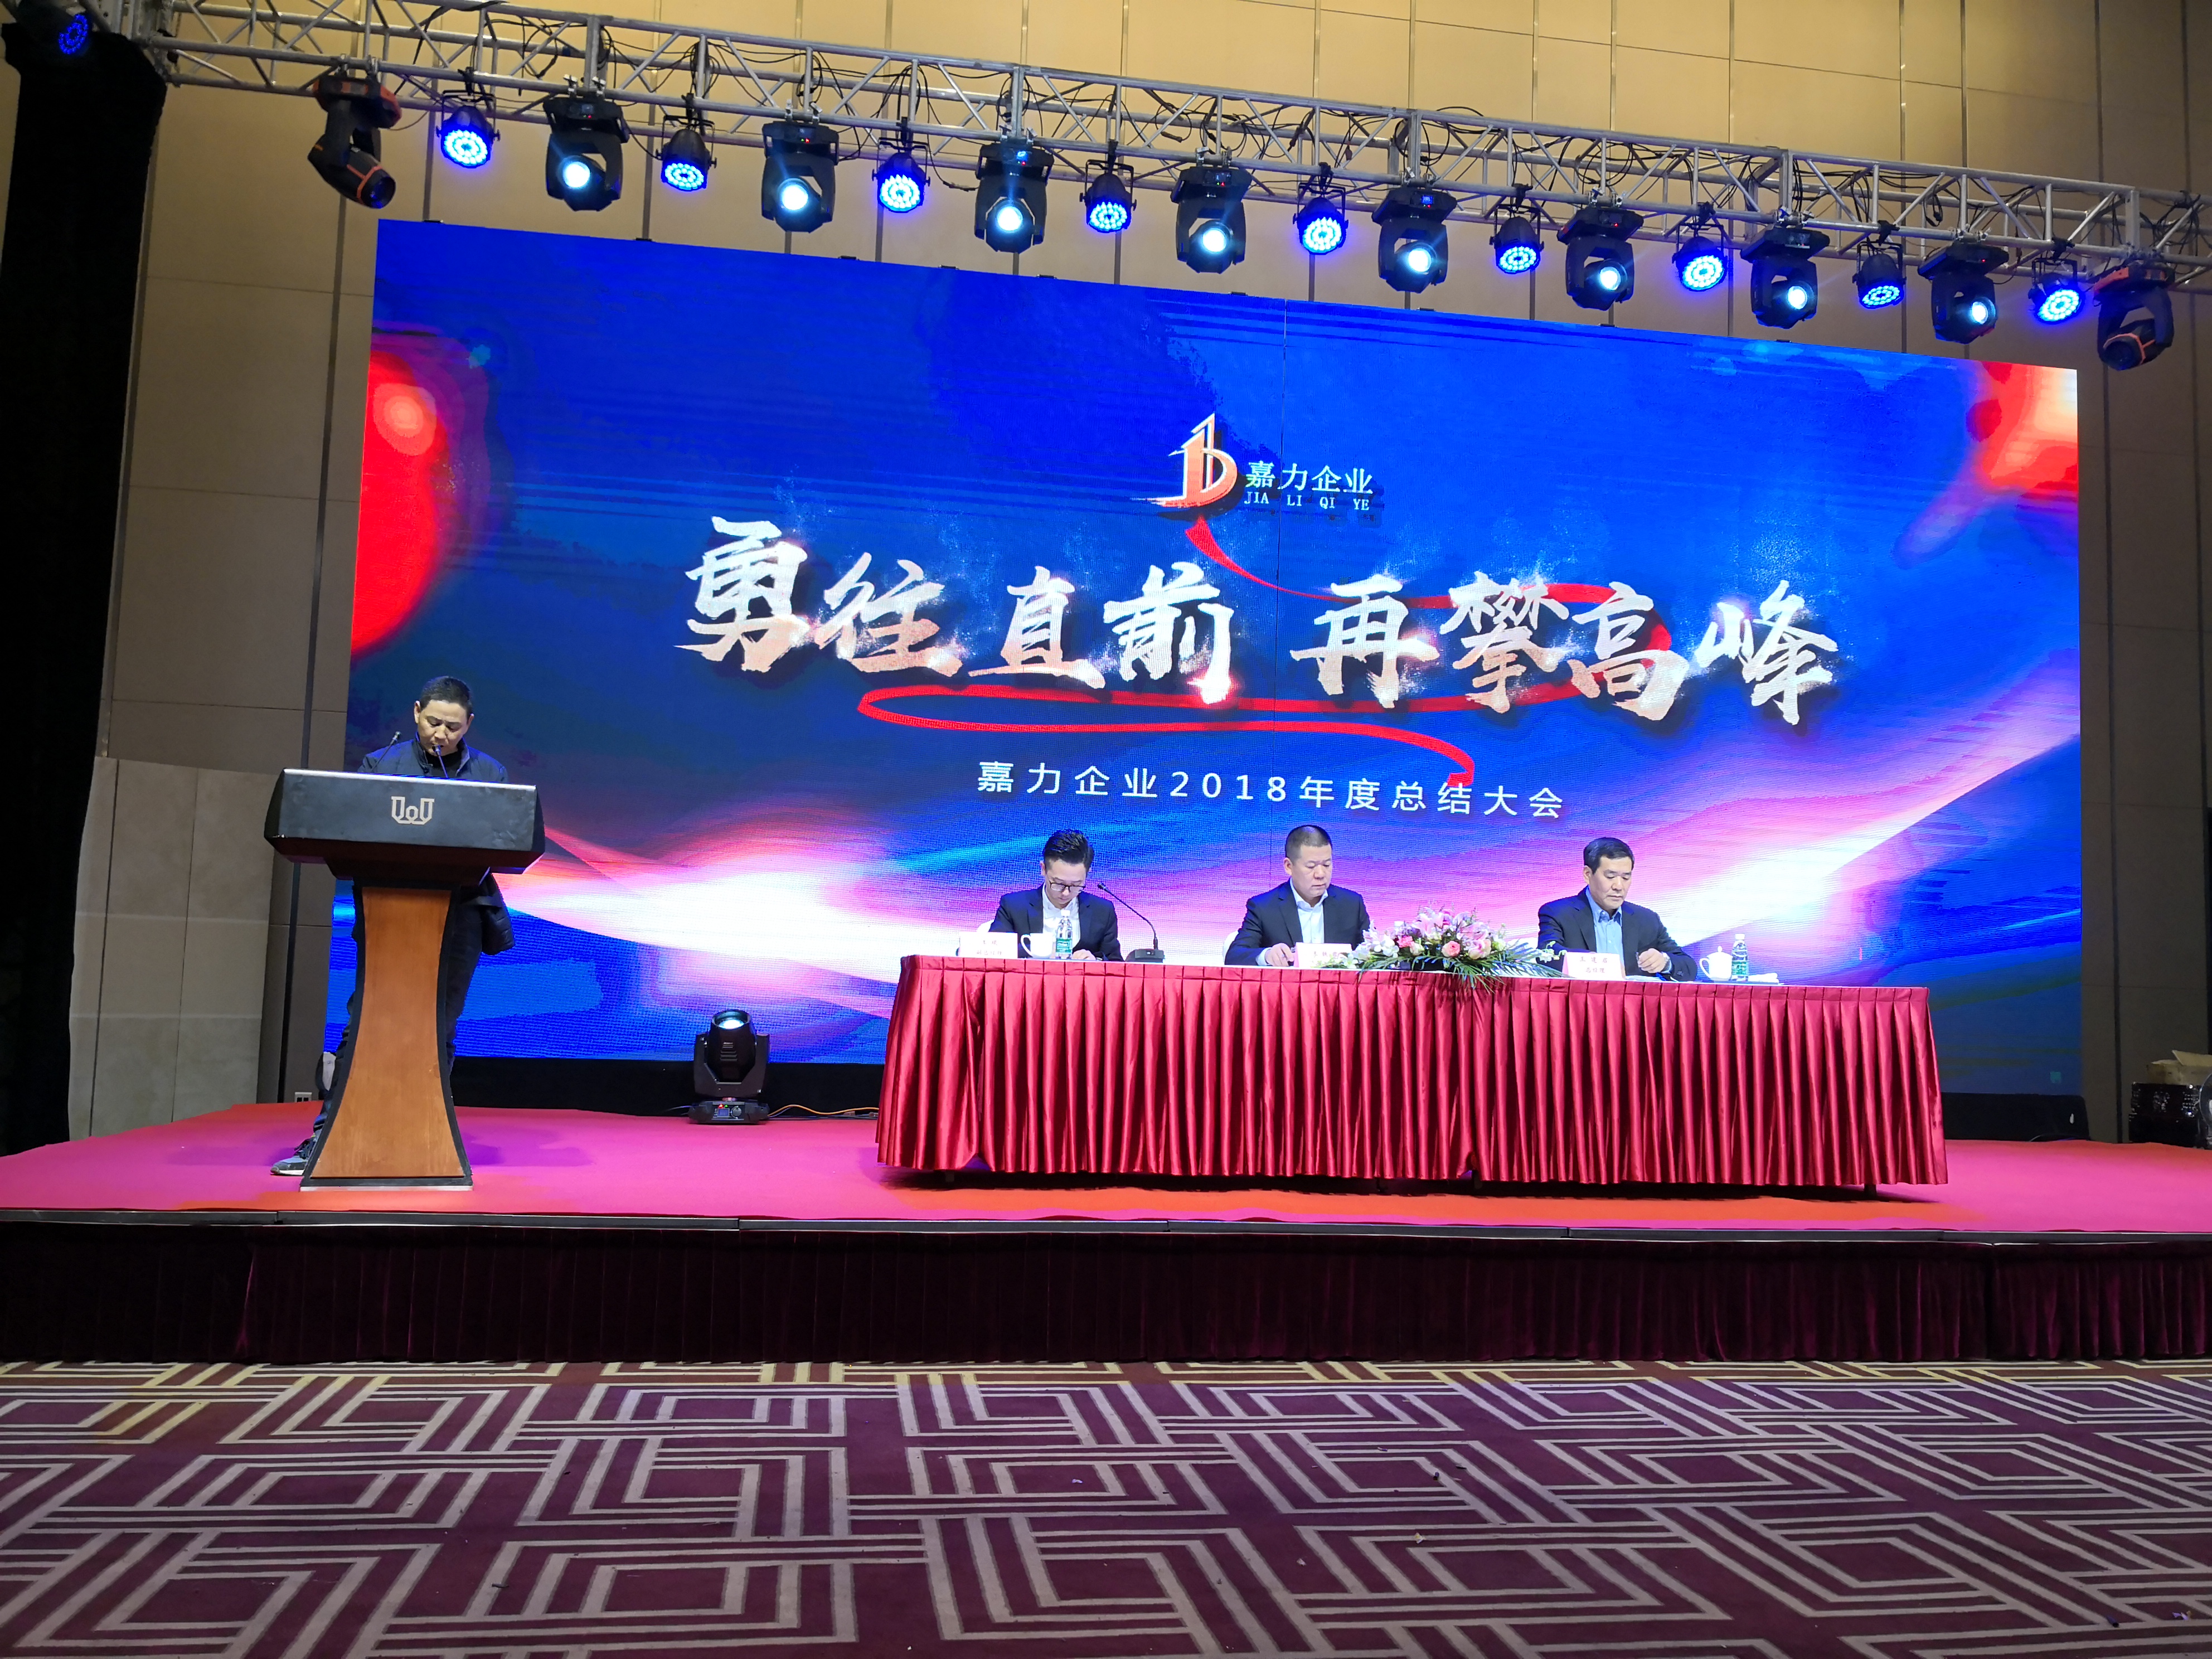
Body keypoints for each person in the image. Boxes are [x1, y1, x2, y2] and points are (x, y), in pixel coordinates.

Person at [270, 676, 518, 1177]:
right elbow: (348, 831)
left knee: (440, 1025)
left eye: (453, 727)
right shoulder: (379, 766)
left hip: (461, 915)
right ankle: (328, 1135)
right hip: (388, 914)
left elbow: (505, 842)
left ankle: (426, 1133)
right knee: (365, 1022)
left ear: (469, 725)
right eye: (434, 722)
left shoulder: (490, 773)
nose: (441, 734)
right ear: (416, 712)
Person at [1536, 836, 1695, 980]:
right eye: (1610, 876)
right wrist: (1598, 963)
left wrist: (1665, 962)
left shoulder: (1647, 919)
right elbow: (1546, 955)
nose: (1619, 886)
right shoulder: (1558, 913)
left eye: (1626, 877)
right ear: (1588, 874)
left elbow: (1688, 967)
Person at [1226, 824, 1372, 967]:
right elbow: (1235, 956)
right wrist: (1267, 955)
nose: (1321, 874)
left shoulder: (1352, 904)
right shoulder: (1264, 907)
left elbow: (1373, 955)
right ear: (1289, 866)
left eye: (1327, 865)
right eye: (1311, 866)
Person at [989, 828, 1123, 961]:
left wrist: (1096, 962)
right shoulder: (1014, 906)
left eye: (1076, 885)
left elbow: (1116, 963)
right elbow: (993, 951)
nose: (1066, 893)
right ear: (1043, 869)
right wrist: (1037, 950)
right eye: (1058, 884)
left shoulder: (1103, 911)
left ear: (1088, 873)